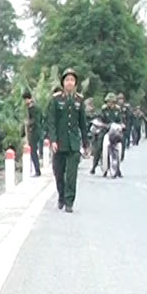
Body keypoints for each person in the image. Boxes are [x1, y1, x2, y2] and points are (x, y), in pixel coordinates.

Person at [48, 68, 88, 212]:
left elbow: (83, 124)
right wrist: (53, 140)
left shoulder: (79, 100)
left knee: (71, 175)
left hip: (73, 144)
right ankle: (61, 196)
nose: (69, 83)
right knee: (59, 173)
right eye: (67, 80)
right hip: (59, 143)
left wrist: (86, 143)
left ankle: (69, 202)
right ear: (63, 83)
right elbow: (51, 121)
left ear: (75, 83)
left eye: (72, 80)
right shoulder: (56, 99)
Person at [24, 91, 42, 176]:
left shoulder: (32, 108)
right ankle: (36, 169)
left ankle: (37, 171)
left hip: (34, 131)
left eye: (25, 100)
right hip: (38, 130)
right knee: (34, 151)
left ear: (28, 99)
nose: (25, 102)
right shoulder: (37, 107)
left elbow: (34, 120)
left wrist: (28, 123)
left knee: (33, 151)